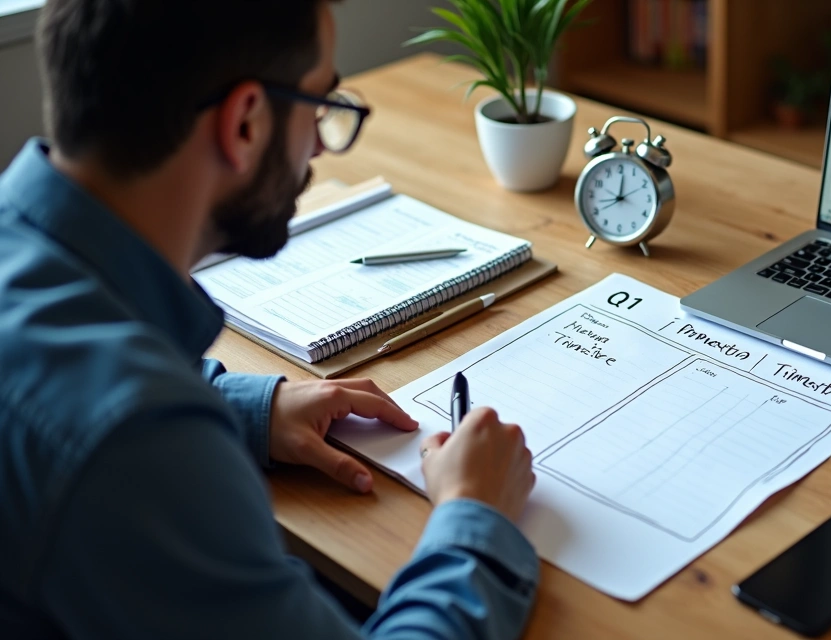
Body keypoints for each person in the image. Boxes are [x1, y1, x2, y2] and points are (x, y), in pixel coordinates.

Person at [0, 1, 540, 638]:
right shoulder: (137, 444)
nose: (318, 142)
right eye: (320, 104)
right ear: (247, 123)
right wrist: (475, 519)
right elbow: (108, 433)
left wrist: (243, 408)